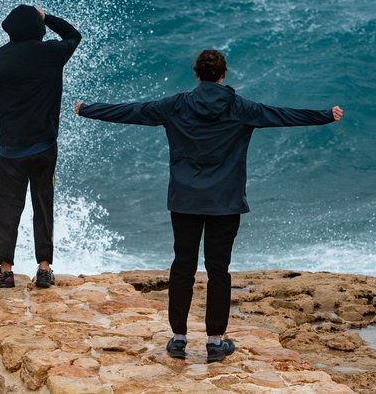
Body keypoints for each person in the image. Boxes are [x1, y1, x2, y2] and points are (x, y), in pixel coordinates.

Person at [75, 49, 343, 362]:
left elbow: (134, 111)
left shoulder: (176, 105)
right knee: (219, 270)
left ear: (197, 73)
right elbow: (282, 115)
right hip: (225, 202)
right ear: (223, 75)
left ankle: (178, 338)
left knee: (182, 267)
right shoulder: (240, 107)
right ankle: (215, 342)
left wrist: (88, 109)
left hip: (185, 200)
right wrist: (324, 115)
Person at [0, 5, 81, 289]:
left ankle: (5, 270)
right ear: (38, 29)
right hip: (44, 144)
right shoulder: (51, 53)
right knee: (42, 203)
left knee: (7, 206)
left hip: (11, 146)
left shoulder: (1, 57)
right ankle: (44, 268)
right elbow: (73, 36)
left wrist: (7, 108)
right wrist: (47, 17)